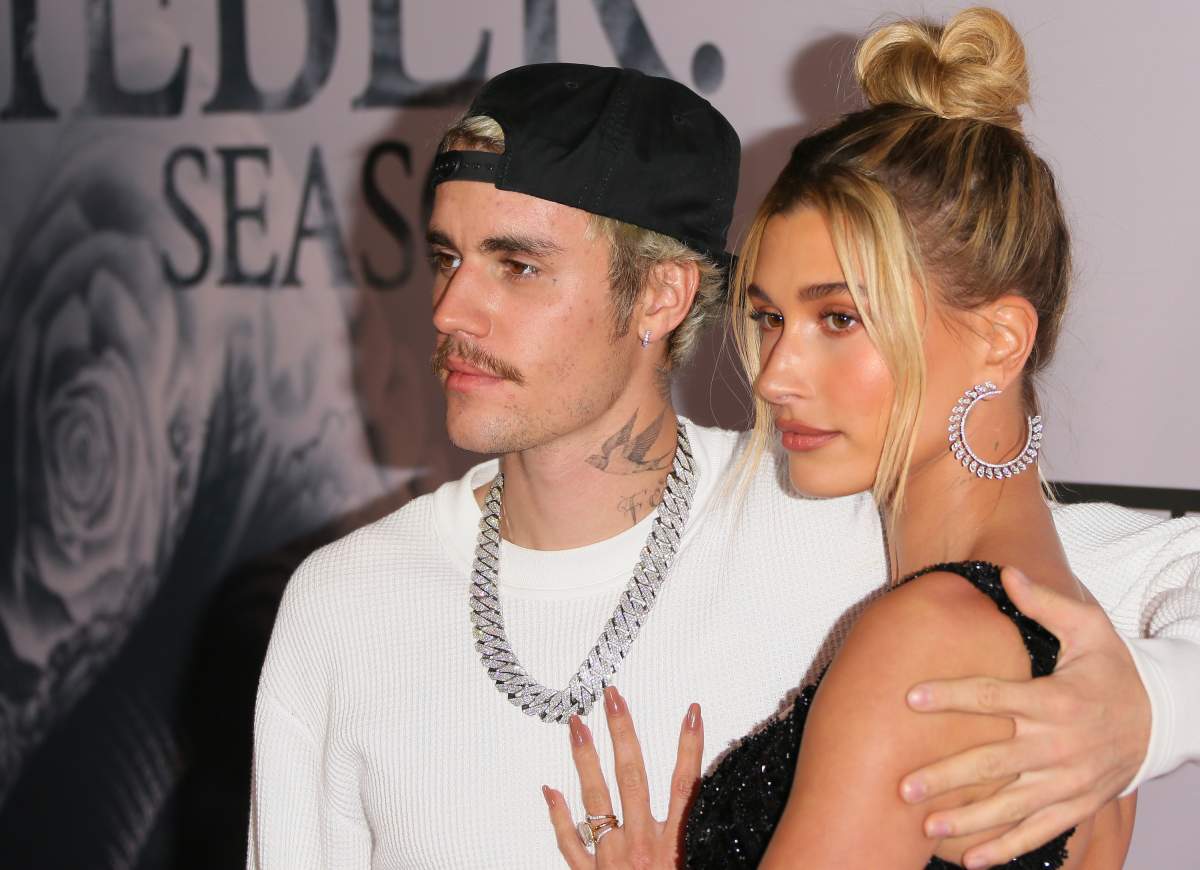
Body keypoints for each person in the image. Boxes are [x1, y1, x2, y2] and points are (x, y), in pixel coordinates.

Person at [247, 58, 1200, 869]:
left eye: (519, 266)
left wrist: (1147, 709)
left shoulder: (842, 517)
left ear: (662, 294)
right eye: (445, 257)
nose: (452, 310)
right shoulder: (344, 601)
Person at [545, 9, 1166, 869]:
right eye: (767, 318)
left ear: (1000, 341)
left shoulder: (925, 641)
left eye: (839, 318)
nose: (774, 376)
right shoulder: (1086, 665)